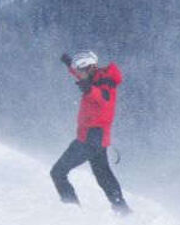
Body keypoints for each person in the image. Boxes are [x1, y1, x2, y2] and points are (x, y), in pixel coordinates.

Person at [51, 50, 128, 213]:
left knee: (58, 172)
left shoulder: (105, 82)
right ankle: (122, 209)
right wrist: (70, 64)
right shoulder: (94, 77)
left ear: (90, 68)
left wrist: (89, 90)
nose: (79, 73)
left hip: (91, 138)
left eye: (81, 69)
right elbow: (85, 80)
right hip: (97, 138)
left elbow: (104, 99)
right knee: (103, 175)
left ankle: (72, 210)